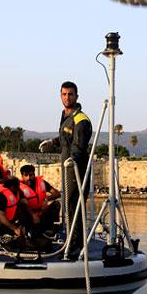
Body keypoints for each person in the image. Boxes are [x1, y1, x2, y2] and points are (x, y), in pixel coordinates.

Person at [51, 81, 92, 257]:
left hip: (76, 168)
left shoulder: (81, 119)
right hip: (66, 167)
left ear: (77, 96)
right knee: (68, 204)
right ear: (60, 96)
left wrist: (72, 159)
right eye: (64, 94)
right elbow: (65, 138)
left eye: (70, 94)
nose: (67, 97)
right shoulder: (65, 115)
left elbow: (79, 145)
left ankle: (75, 245)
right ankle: (71, 240)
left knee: (74, 205)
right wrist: (52, 142)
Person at [19, 164, 61, 234]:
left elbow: (57, 193)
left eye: (31, 175)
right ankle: (28, 231)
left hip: (42, 211)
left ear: (34, 174)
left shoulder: (42, 182)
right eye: (26, 175)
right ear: (22, 176)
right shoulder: (19, 187)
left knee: (56, 204)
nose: (29, 177)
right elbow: (23, 204)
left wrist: (46, 199)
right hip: (29, 214)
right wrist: (33, 215)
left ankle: (49, 228)